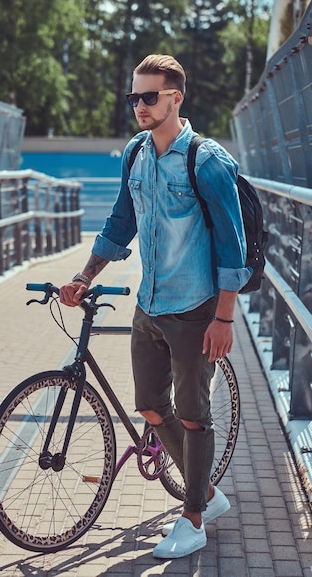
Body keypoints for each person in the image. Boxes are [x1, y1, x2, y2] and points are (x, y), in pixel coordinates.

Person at [59, 54, 251, 560]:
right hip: (149, 304)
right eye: (134, 97)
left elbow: (233, 247)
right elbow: (121, 223)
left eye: (150, 97)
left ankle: (192, 521)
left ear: (175, 97)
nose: (140, 106)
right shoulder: (136, 154)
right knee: (149, 405)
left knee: (193, 417)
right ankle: (205, 493)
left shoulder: (205, 160)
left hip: (195, 308)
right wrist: (84, 276)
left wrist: (224, 316)